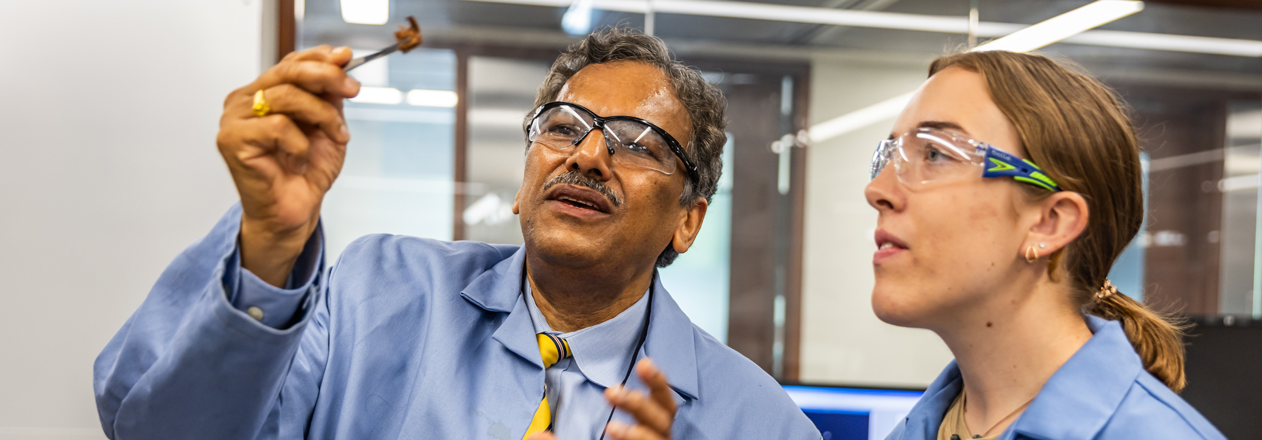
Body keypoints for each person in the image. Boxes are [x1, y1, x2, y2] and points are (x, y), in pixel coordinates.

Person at [93, 28, 819, 440]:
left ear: (688, 220)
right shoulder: (373, 295)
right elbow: (156, 431)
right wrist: (269, 243)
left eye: (637, 143)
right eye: (563, 127)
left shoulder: (763, 425)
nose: (587, 155)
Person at [864, 50, 1225, 440]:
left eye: (935, 154)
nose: (876, 190)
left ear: (1049, 223)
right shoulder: (921, 429)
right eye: (890, 157)